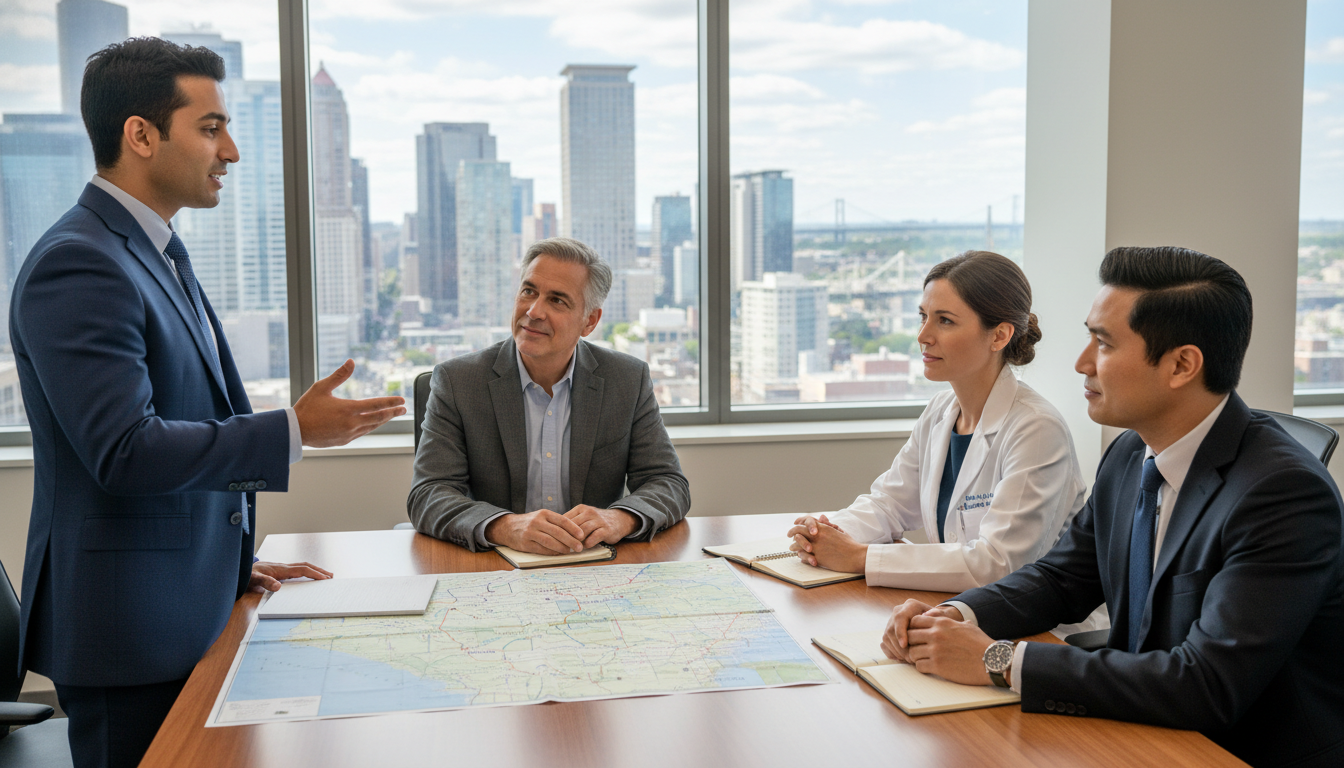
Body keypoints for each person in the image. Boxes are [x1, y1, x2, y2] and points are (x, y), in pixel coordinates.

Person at [9, 39, 406, 768]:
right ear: (140, 134)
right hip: (129, 633)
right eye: (211, 128)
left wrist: (222, 568)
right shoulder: (81, 262)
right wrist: (292, 430)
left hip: (181, 605)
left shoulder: (151, 250)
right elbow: (125, 451)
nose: (231, 152)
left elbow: (187, 419)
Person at [881, 247, 1344, 768]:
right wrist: (954, 615)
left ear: (1181, 365)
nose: (1082, 363)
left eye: (1103, 344)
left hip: (1234, 751)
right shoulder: (1130, 452)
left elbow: (1207, 684)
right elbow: (1061, 578)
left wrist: (1000, 660)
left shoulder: (1283, 495)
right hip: (1138, 726)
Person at [788, 251, 1106, 636]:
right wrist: (825, 533)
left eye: (945, 321)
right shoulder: (941, 410)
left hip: (1041, 635)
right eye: (923, 316)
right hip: (956, 614)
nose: (923, 335)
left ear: (999, 335)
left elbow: (998, 564)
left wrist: (860, 557)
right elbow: (889, 504)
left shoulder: (1037, 429)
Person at [408, 237, 691, 554]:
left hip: (592, 564)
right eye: (529, 291)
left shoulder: (626, 380)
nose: (533, 311)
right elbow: (429, 494)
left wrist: (620, 518)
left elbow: (668, 483)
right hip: (496, 565)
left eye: (557, 300)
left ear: (589, 321)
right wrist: (505, 526)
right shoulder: (459, 382)